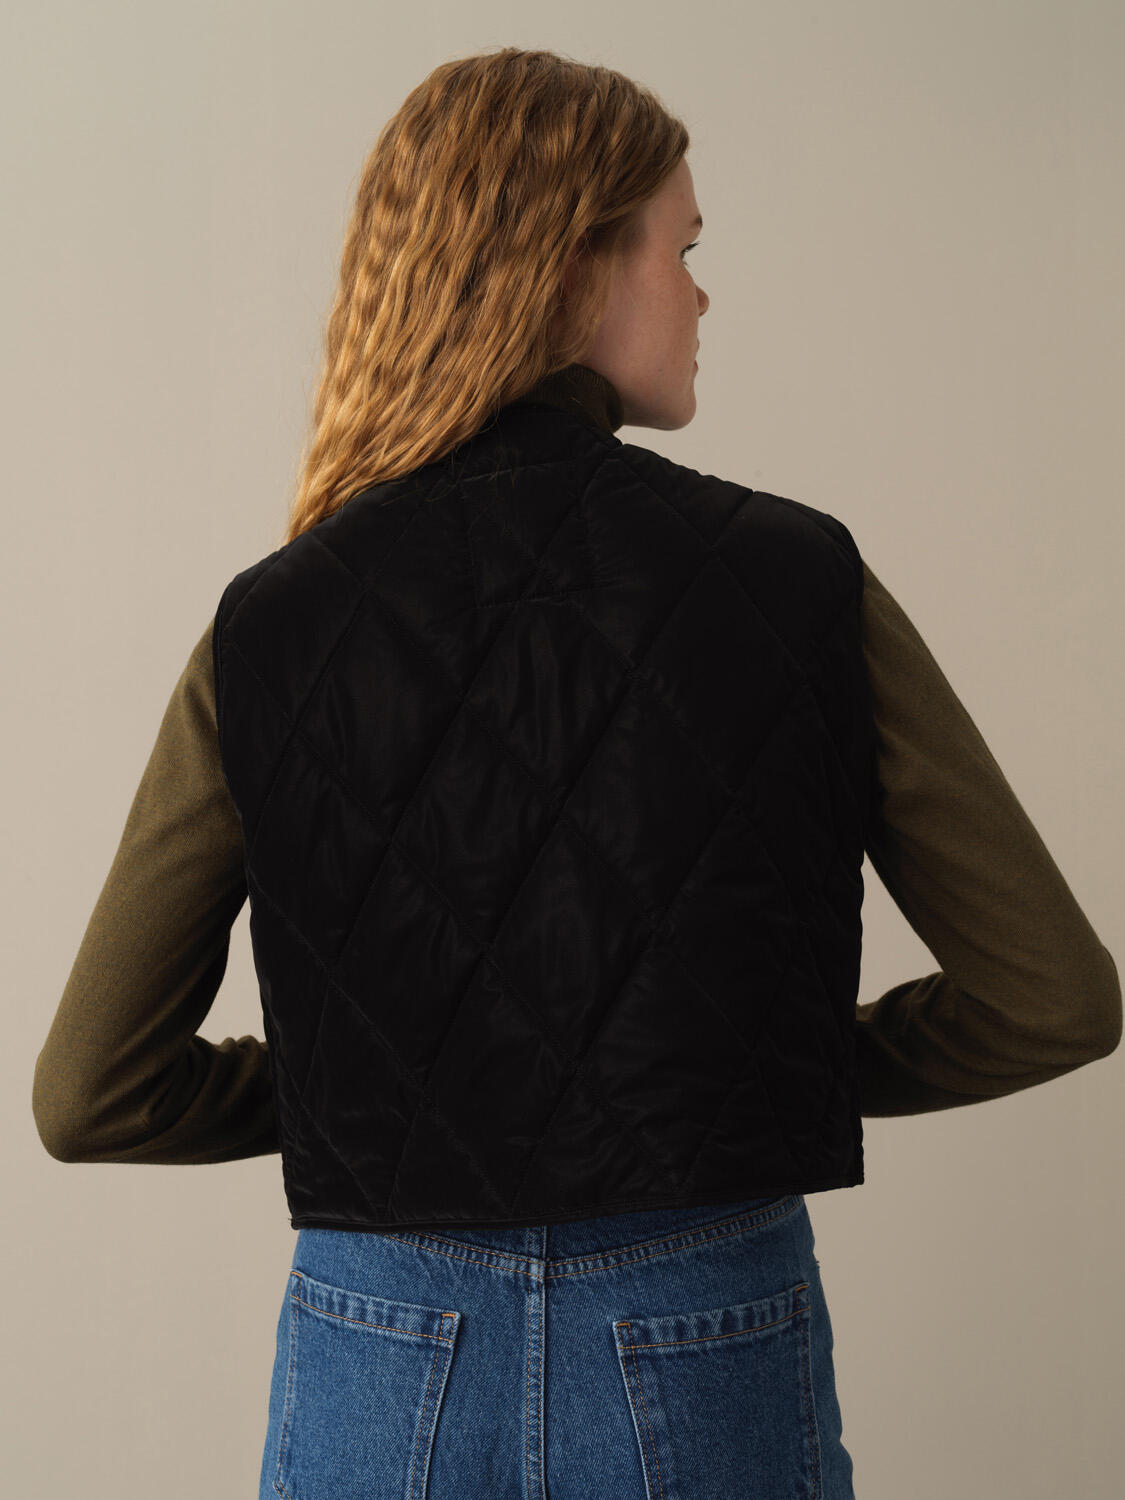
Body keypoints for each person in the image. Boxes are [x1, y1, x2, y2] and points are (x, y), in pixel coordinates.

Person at [32, 46, 1120, 1500]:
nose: (702, 295)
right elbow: (1056, 999)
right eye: (684, 249)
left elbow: (90, 1094)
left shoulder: (270, 623)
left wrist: (426, 1086)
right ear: (575, 262)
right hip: (703, 1324)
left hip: (384, 1342)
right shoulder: (798, 578)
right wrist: (723, 1074)